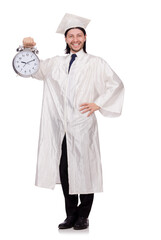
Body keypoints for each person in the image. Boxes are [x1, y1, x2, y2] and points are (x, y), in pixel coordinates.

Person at [22, 13, 124, 230]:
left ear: (85, 38)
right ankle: (70, 214)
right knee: (65, 170)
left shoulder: (95, 63)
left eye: (79, 35)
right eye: (71, 36)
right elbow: (33, 70)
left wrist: (99, 103)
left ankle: (84, 215)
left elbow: (116, 85)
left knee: (85, 169)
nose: (75, 39)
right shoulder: (56, 63)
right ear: (66, 40)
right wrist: (27, 49)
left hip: (83, 124)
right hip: (61, 126)